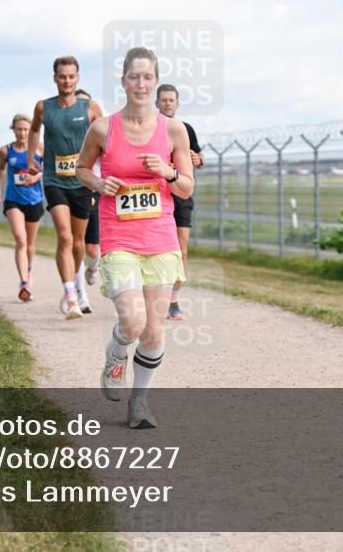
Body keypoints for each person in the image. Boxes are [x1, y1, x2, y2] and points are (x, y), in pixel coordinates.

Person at [75, 47, 194, 429]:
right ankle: (116, 352)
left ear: (155, 81)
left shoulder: (173, 130)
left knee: (155, 330)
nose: (140, 83)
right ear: (123, 81)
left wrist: (169, 172)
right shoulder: (102, 128)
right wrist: (98, 181)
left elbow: (187, 189)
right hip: (119, 236)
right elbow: (81, 168)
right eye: (133, 77)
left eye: (147, 77)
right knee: (132, 322)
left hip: (159, 237)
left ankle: (139, 403)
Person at [27, 56, 104, 320]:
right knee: (65, 236)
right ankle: (70, 294)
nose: (67, 81)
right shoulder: (43, 107)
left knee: (79, 242)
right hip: (54, 179)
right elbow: (34, 130)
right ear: (55, 78)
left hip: (81, 181)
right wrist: (30, 158)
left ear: (78, 78)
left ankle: (78, 280)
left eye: (71, 76)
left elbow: (105, 139)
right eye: (62, 76)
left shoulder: (91, 107)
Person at [156, 84, 204, 320]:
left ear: (177, 104)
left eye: (171, 100)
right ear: (156, 103)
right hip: (156, 194)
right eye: (163, 100)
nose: (167, 104)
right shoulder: (150, 128)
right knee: (155, 249)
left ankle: (174, 300)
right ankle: (153, 296)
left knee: (180, 250)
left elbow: (199, 158)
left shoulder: (186, 129)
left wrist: (197, 158)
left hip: (181, 194)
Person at [0, 114, 45, 302]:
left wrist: (37, 177)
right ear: (13, 130)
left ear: (31, 131)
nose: (22, 133)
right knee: (20, 239)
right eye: (19, 129)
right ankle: (24, 282)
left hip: (34, 200)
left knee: (30, 244)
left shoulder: (40, 148)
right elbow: (0, 170)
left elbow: (49, 169)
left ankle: (28, 272)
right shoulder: (6, 151)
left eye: (26, 129)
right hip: (13, 200)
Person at [75, 89, 102, 293]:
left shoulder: (101, 135)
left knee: (92, 248)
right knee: (75, 244)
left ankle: (93, 268)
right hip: (72, 191)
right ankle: (77, 293)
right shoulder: (67, 138)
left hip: (95, 190)